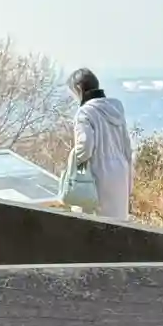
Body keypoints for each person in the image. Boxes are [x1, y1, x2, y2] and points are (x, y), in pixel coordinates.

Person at [67, 68, 133, 220]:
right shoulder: (116, 108)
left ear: (79, 89)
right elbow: (127, 147)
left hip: (98, 176)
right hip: (121, 173)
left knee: (93, 225)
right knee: (118, 223)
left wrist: (73, 161)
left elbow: (85, 147)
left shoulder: (84, 112)